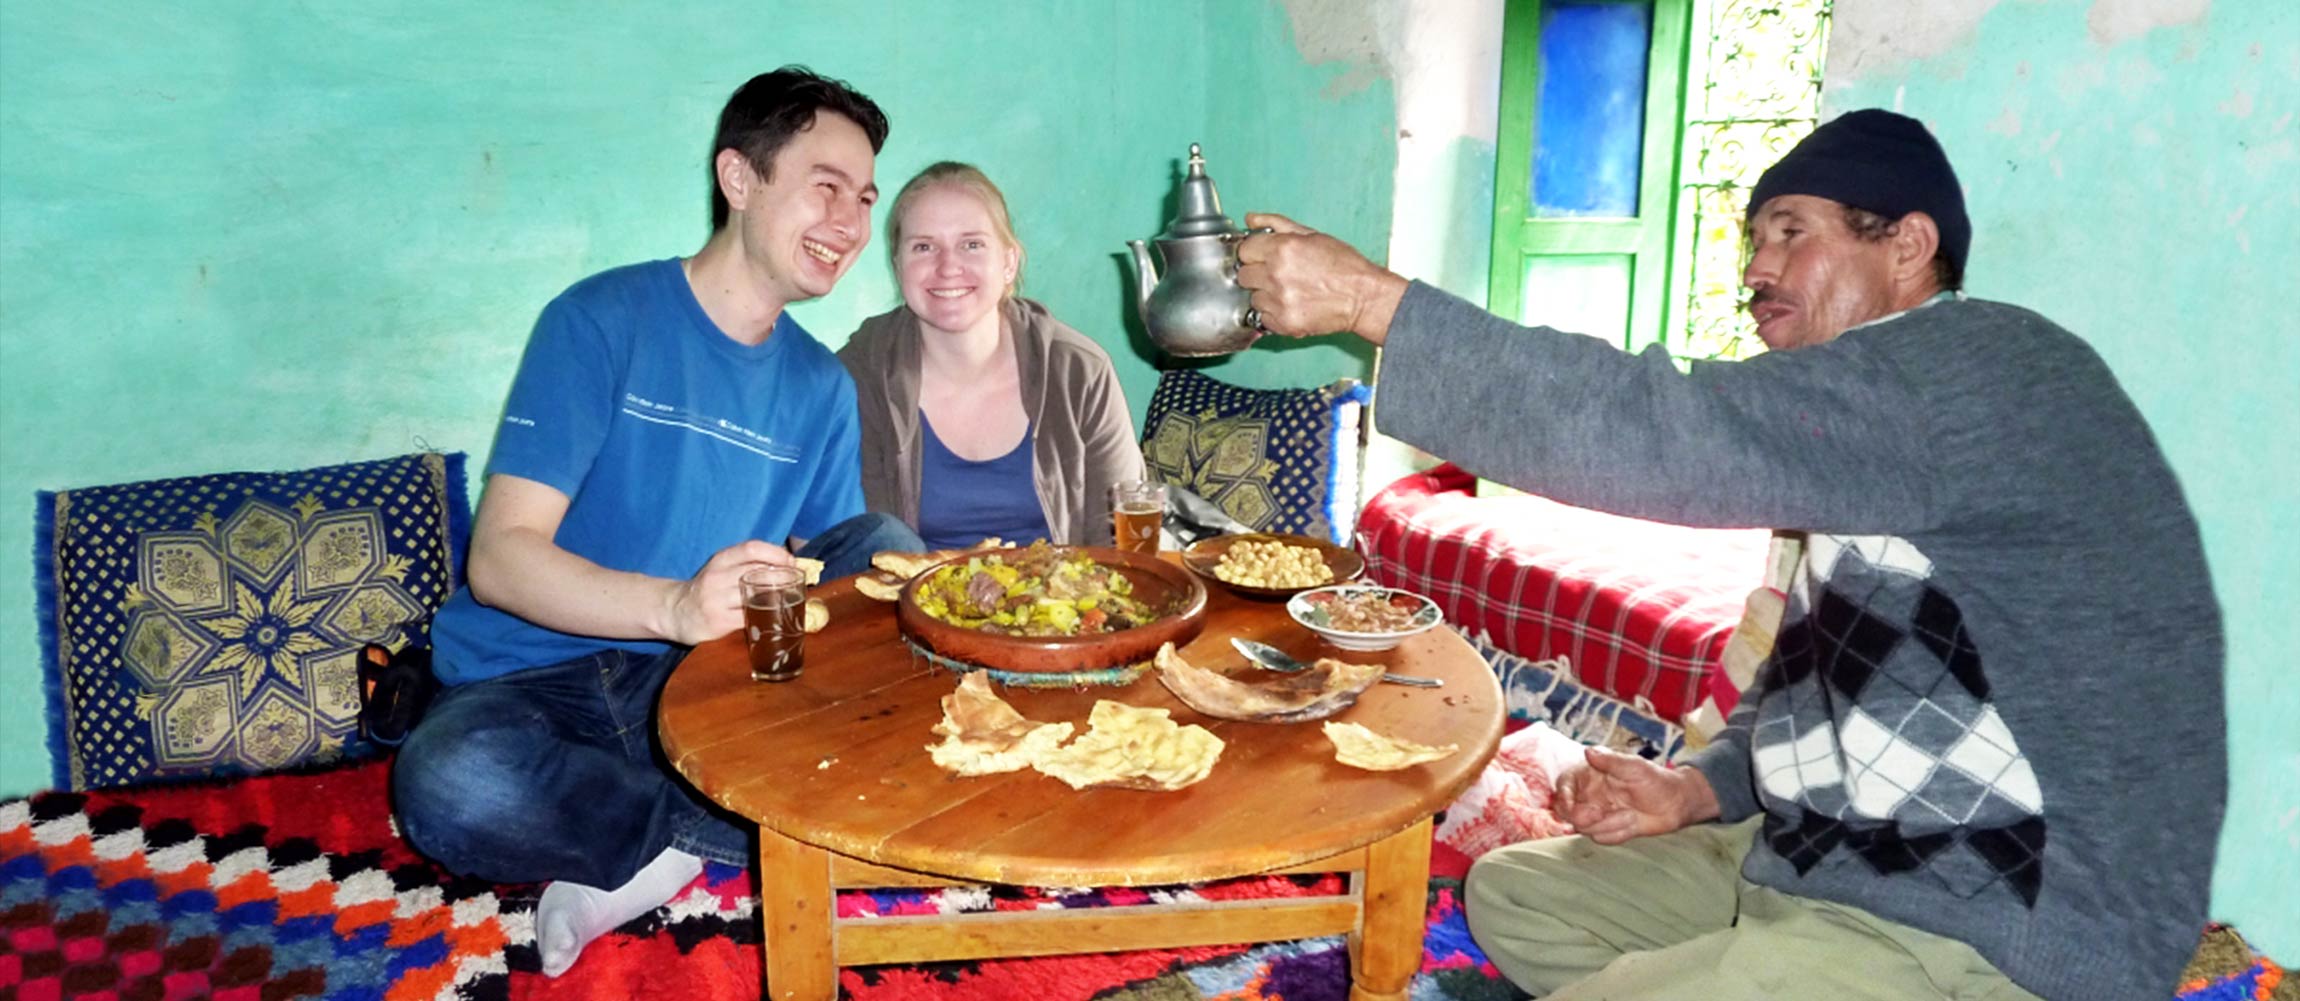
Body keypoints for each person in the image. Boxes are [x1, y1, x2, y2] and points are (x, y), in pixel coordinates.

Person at [1236, 109, 2223, 1001]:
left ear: (1907, 244)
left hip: (1986, 915)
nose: (1756, 268)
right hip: (1828, 858)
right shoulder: (1879, 430)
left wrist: (1373, 301)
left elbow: (1658, 426)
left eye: (1791, 232)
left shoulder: (1977, 376)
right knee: (1518, 896)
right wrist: (1700, 786)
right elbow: (1825, 658)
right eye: (1754, 240)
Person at [391, 67, 922, 978]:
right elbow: (501, 559)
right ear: (739, 177)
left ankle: (653, 849)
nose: (849, 223)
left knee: (887, 550)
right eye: (826, 187)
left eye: (864, 199)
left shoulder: (821, 386)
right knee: (451, 781)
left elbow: (834, 597)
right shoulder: (600, 320)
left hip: (694, 687)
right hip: (530, 684)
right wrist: (674, 605)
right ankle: (724, 832)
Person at [839, 161, 1145, 548]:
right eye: (924, 247)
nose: (948, 267)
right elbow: (865, 545)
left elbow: (1124, 540)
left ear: (1008, 262)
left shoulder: (1079, 371)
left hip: (1069, 585)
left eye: (972, 244)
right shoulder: (858, 377)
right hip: (909, 588)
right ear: (898, 265)